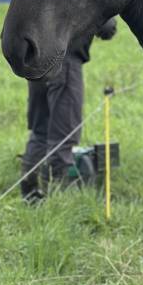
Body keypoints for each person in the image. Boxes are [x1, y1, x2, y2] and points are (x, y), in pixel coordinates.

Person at [20, 19, 117, 203]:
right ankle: (59, 200)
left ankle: (29, 192)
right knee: (64, 136)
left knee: (40, 131)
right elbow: (107, 29)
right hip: (64, 62)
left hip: (36, 60)